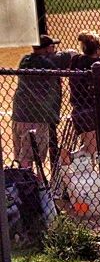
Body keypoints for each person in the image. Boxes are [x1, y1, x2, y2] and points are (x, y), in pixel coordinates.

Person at [11, 35, 73, 172]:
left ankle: (26, 184)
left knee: (22, 155)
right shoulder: (49, 61)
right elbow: (71, 54)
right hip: (36, 118)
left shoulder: (25, 60)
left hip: (18, 114)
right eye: (53, 46)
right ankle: (31, 187)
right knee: (32, 157)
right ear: (48, 48)